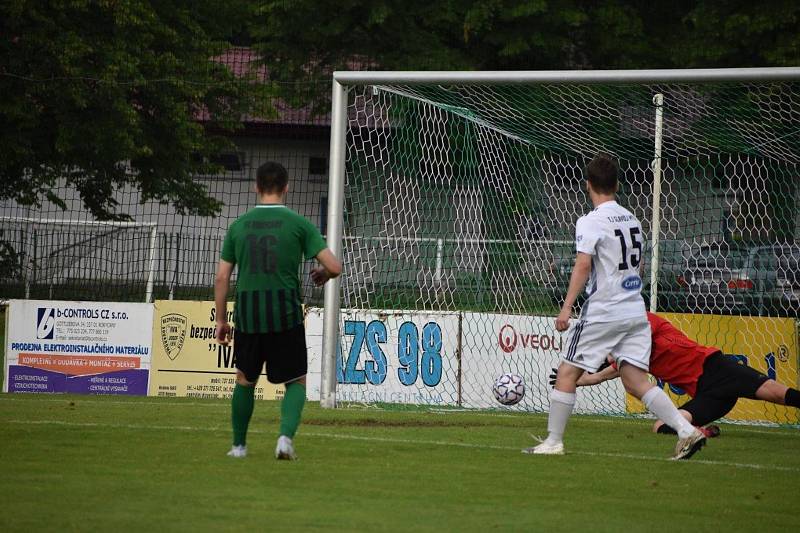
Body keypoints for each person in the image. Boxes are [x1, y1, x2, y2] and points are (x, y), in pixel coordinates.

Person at [525, 153, 706, 460]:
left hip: (605, 311)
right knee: (636, 381)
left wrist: (567, 307)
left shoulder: (590, 221)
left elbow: (583, 265)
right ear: (617, 184)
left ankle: (553, 441)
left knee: (567, 373)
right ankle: (686, 430)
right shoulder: (632, 219)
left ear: (588, 185)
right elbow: (639, 263)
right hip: (635, 311)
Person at [215, 161, 342, 460]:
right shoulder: (299, 224)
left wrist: (221, 320)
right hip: (284, 311)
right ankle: (284, 439)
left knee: (245, 379)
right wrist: (323, 275)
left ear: (256, 187)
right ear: (287, 187)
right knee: (295, 380)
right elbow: (334, 266)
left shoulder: (238, 226)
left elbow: (222, 277)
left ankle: (239, 447)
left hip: (249, 313)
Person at [562, 312, 800, 434]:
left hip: (716, 368)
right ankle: (702, 433)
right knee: (660, 427)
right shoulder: (630, 359)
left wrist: (611, 352)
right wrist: (575, 380)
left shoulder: (644, 321)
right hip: (708, 395)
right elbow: (599, 376)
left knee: (777, 393)